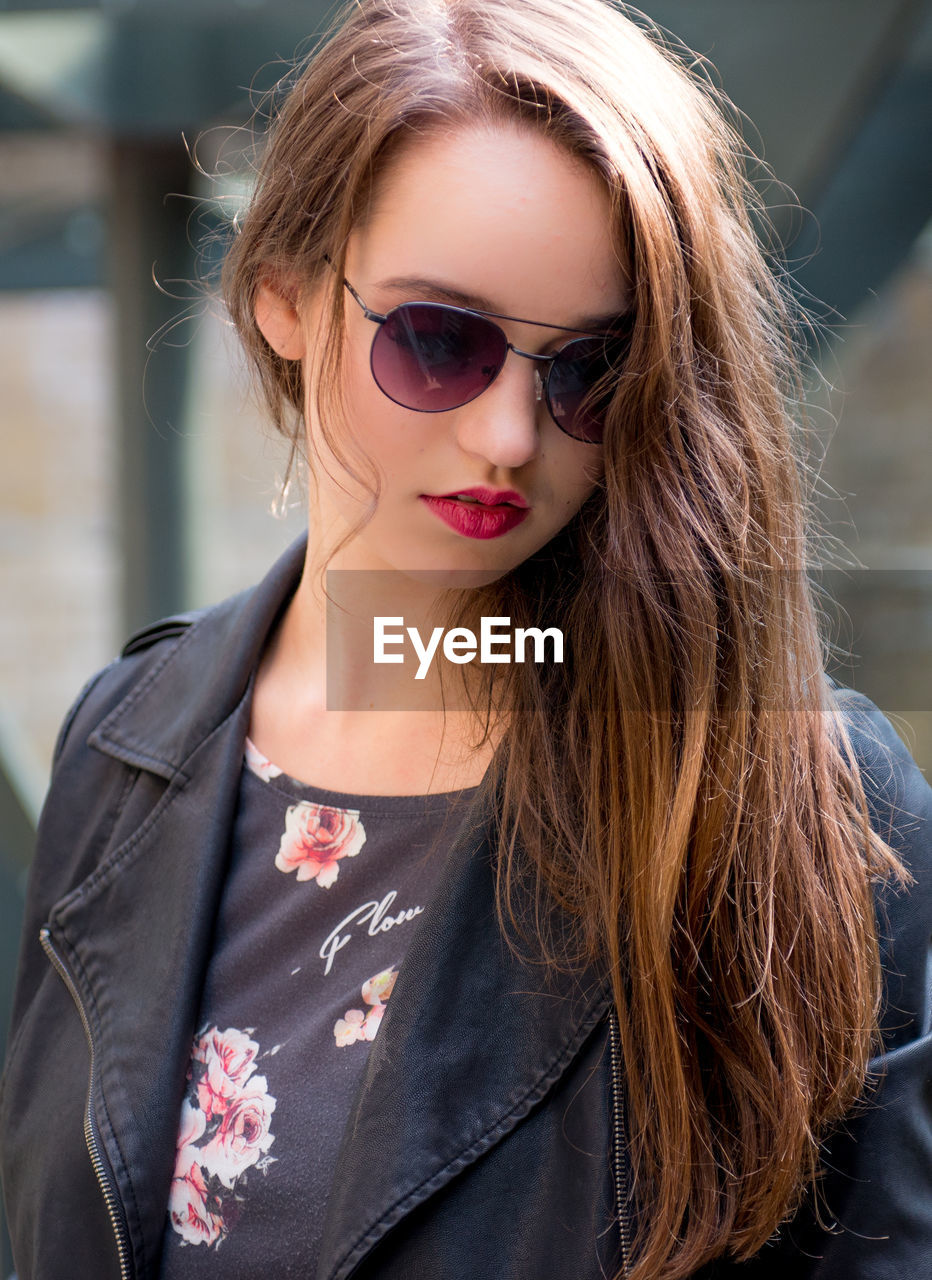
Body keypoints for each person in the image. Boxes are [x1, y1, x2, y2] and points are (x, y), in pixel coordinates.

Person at [2, 0, 930, 1276]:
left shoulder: (804, 796)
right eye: (439, 340)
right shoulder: (124, 741)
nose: (506, 435)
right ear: (282, 295)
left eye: (587, 368)